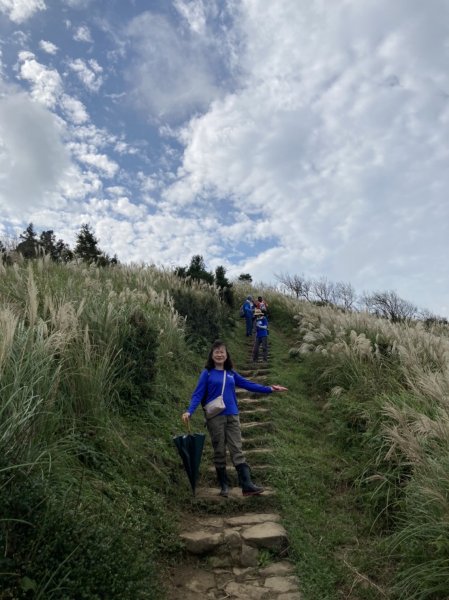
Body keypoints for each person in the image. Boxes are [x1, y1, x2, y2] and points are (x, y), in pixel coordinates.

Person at [182, 340, 288, 497]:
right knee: (219, 450)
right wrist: (189, 411)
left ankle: (246, 485)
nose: (219, 354)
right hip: (215, 417)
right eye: (216, 351)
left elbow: (247, 384)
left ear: (226, 355)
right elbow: (198, 393)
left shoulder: (230, 373)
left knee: (237, 448)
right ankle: (224, 486)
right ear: (212, 355)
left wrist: (269, 389)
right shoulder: (207, 373)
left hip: (233, 415)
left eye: (222, 351)